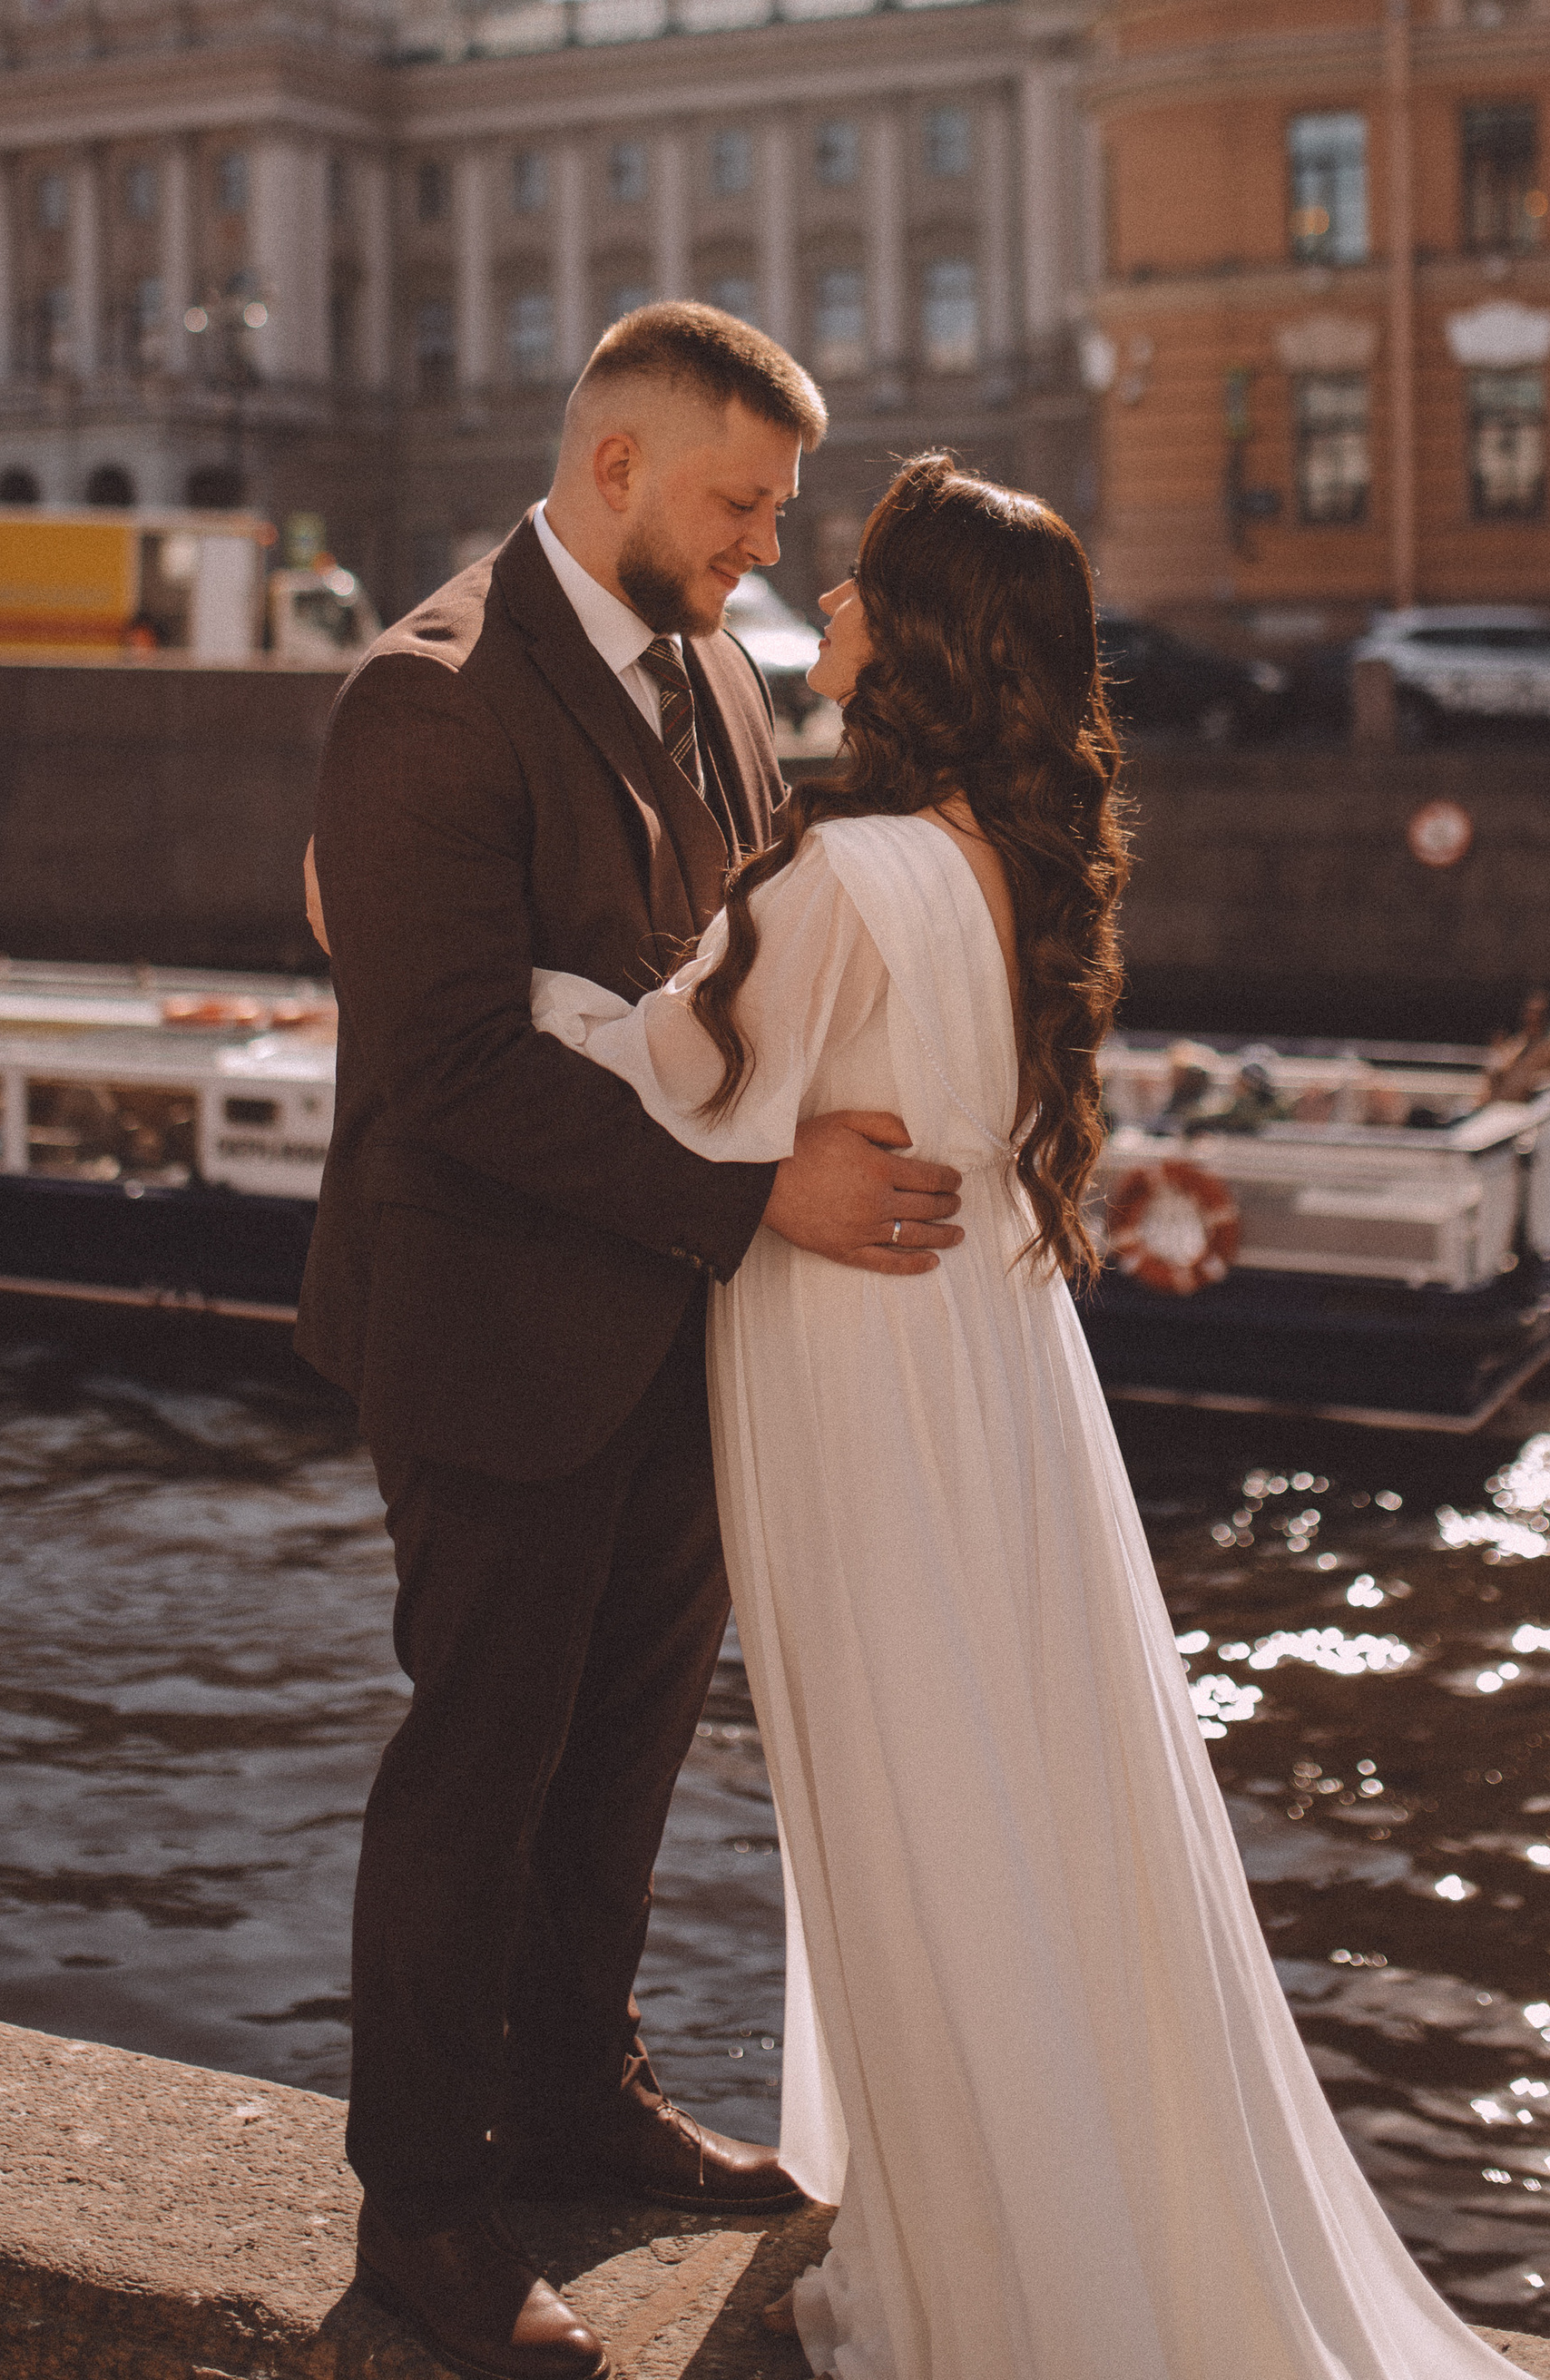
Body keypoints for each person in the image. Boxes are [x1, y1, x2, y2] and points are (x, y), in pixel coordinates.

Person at [529, 453, 1520, 2380]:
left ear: (909, 642)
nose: (811, 616)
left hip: (858, 1370)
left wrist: (467, 965)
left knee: (903, 1785)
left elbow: (654, 1077)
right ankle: (1041, 2197)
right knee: (1009, 1780)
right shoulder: (1002, 864)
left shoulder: (839, 874)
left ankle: (983, 2255)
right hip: (989, 1371)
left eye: (845, 592)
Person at [300, 306, 965, 2380]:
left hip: (670, 1328)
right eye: (739, 498)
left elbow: (724, 977)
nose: (767, 539)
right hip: (494, 1327)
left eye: (776, 506)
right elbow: (449, 1068)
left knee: (620, 1752)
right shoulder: (429, 696)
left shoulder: (708, 668)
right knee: (475, 1765)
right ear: (613, 468)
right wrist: (759, 1188)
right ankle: (420, 2209)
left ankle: (579, 2094)